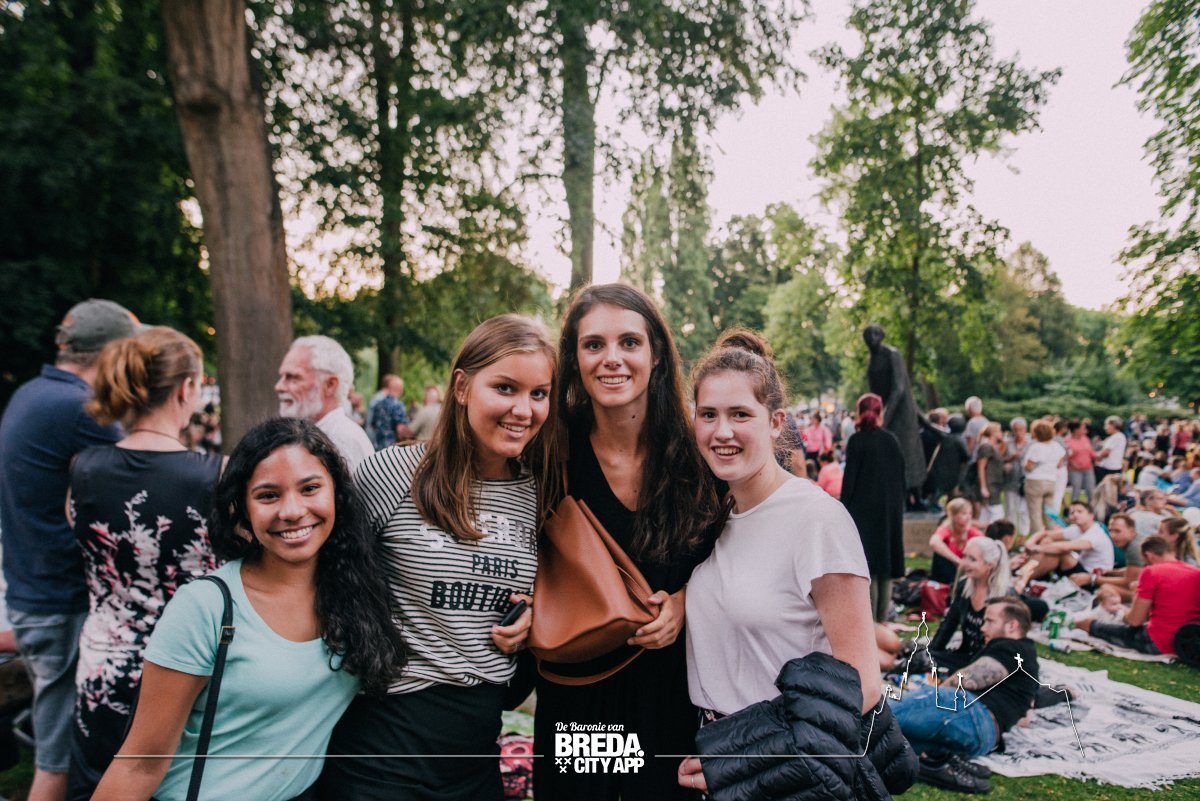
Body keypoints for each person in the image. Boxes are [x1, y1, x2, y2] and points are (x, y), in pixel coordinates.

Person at [93, 418, 406, 801]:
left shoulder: (357, 591)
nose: (292, 510)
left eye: (310, 488)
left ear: (337, 493)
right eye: (268, 495)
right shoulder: (206, 608)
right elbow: (139, 765)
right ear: (241, 507)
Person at [319, 315, 555, 801]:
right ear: (462, 387)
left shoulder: (540, 494)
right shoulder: (392, 473)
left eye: (539, 394)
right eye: (505, 388)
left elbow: (549, 591)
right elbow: (324, 579)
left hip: (476, 752)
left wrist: (536, 615)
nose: (523, 410)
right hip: (383, 748)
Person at [533, 284, 723, 801]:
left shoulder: (697, 453)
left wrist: (685, 600)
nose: (611, 358)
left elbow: (740, 555)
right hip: (580, 693)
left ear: (656, 354)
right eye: (593, 344)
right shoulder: (550, 449)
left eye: (629, 343)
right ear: (574, 358)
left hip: (670, 695)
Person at [677, 329, 880, 795]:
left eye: (740, 414)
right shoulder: (717, 514)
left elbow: (863, 686)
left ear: (775, 422)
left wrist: (742, 756)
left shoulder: (817, 519)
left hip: (783, 767)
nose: (722, 431)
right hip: (712, 749)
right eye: (708, 414)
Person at [65, 328, 222, 800]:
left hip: (103, 667)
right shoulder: (214, 477)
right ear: (186, 388)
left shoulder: (83, 470)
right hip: (185, 673)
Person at [0, 298, 141, 801]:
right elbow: (139, 483)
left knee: (61, 750)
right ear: (111, 354)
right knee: (56, 761)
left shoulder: (30, 394)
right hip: (60, 605)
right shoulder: (83, 409)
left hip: (31, 595)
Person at [892, 597, 1039, 794]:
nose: (983, 628)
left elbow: (961, 682)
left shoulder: (1010, 648)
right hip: (985, 739)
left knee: (879, 715)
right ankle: (931, 765)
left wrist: (933, 694)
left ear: (1012, 626)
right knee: (891, 741)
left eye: (990, 621)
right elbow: (1025, 716)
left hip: (972, 715)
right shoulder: (1028, 655)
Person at [841, 392, 907, 622]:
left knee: (867, 563)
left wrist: (843, 510)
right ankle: (882, 619)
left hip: (862, 510)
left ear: (859, 412)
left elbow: (850, 481)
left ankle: (870, 621)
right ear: (880, 413)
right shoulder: (891, 440)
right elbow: (901, 477)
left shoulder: (856, 441)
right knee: (885, 564)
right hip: (889, 509)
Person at [1077, 536, 1200, 656]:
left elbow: (1135, 621)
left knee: (1088, 623)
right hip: (1187, 643)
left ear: (1149, 556)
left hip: (1158, 642)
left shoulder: (1152, 571)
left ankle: (1071, 624)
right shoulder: (1195, 572)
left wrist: (1123, 610)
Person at [276, 335, 374, 471]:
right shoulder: (317, 434)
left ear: (330, 385)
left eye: (293, 377)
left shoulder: (341, 442)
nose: (279, 387)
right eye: (282, 377)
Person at [927, 538, 1012, 672]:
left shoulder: (1005, 597)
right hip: (965, 656)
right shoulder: (964, 586)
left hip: (990, 663)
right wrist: (931, 652)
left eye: (972, 559)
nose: (965, 563)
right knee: (919, 659)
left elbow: (1008, 644)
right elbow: (949, 624)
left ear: (990, 564)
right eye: (964, 556)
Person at [1021, 501, 1115, 588]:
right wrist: (1030, 541)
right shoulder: (1076, 528)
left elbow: (1065, 547)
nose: (1075, 515)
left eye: (1080, 511)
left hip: (1094, 576)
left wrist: (1036, 548)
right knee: (1047, 541)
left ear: (1091, 515)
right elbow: (1045, 534)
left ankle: (1023, 578)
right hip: (1080, 566)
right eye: (1072, 512)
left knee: (1059, 553)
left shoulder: (1096, 533)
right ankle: (1025, 575)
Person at [1023, 419, 1067, 532]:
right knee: (1049, 512)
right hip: (1051, 481)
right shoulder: (1056, 446)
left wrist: (1025, 464)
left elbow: (1029, 466)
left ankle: (1038, 536)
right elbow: (1060, 463)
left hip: (1035, 481)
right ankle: (1051, 533)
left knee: (1035, 513)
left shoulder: (1036, 447)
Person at [927, 497, 984, 584]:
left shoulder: (973, 532)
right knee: (939, 554)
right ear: (953, 515)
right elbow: (934, 542)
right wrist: (958, 561)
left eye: (970, 513)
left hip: (967, 572)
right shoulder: (946, 529)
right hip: (948, 572)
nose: (968, 517)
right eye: (964, 513)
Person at [366, 373, 414, 450]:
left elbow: (373, 425)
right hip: (392, 448)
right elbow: (400, 430)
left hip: (377, 446)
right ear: (400, 389)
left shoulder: (379, 404)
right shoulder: (398, 405)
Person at [1002, 418, 1031, 535]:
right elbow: (1000, 459)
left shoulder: (1031, 443)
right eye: (1016, 430)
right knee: (1011, 509)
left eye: (1021, 429)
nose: (1018, 433)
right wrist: (1010, 458)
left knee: (1025, 509)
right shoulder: (1007, 443)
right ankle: (1011, 533)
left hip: (1026, 480)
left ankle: (1024, 534)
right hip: (1010, 480)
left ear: (1025, 429)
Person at [973, 422, 1006, 523]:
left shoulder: (992, 447)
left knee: (985, 514)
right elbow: (981, 467)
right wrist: (983, 487)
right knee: (997, 513)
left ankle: (981, 531)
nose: (1001, 433)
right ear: (993, 432)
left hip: (994, 484)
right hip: (989, 484)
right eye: (999, 431)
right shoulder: (986, 447)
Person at [1065, 420, 1097, 504]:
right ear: (1076, 430)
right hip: (1075, 471)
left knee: (1091, 491)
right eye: (1083, 428)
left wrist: (1100, 456)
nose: (1085, 430)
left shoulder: (1085, 439)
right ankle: (1073, 509)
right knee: (1076, 491)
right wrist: (1071, 462)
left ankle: (1091, 509)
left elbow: (1091, 453)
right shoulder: (1068, 441)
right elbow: (1065, 456)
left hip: (1088, 469)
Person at [1095, 415, 1128, 484]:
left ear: (1113, 425)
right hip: (1115, 468)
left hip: (1108, 469)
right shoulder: (1120, 436)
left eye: (1106, 425)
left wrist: (1093, 457)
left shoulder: (1116, 437)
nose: (1105, 428)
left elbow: (1105, 453)